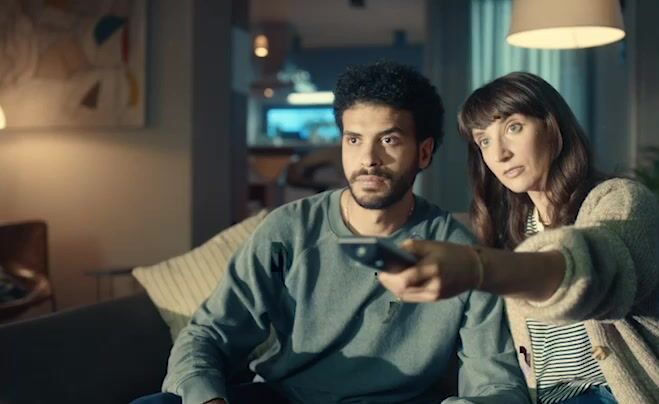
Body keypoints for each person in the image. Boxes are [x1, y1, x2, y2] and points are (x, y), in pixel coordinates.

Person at [132, 62, 530, 404]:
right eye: (354, 139)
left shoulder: (458, 254)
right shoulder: (287, 230)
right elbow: (209, 335)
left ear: (424, 153)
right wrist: (209, 399)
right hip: (284, 397)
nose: (368, 159)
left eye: (389, 140)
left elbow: (496, 380)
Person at [377, 72, 659, 403]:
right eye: (484, 140)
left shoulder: (620, 199)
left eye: (513, 128)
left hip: (613, 393)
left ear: (552, 127)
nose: (499, 154)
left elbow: (597, 269)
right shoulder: (508, 227)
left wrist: (477, 267)